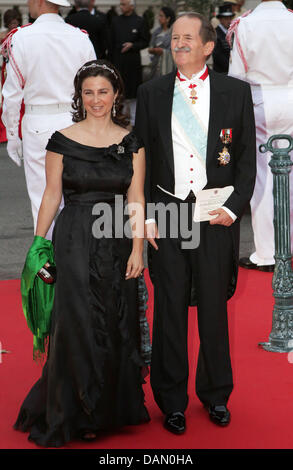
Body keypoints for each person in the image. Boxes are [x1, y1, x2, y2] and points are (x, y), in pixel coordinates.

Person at [14, 59, 150, 447]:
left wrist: (138, 249)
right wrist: (38, 246)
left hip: (116, 240)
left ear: (116, 95)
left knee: (113, 320)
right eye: (88, 92)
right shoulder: (60, 139)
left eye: (103, 92)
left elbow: (136, 199)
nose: (95, 99)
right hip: (72, 240)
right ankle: (74, 409)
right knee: (74, 323)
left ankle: (106, 410)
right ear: (80, 96)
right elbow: (51, 196)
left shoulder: (131, 141)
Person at [135, 12, 256, 433]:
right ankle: (171, 400)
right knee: (169, 309)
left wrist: (235, 206)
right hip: (167, 212)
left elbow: (245, 158)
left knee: (212, 308)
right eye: (175, 37)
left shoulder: (235, 92)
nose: (179, 43)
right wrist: (143, 214)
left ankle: (216, 393)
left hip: (214, 214)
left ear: (208, 46)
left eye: (188, 37)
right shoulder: (150, 93)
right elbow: (141, 158)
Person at [1, 0, 96, 241]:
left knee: (40, 198)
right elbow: (95, 85)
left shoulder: (22, 38)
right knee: (74, 196)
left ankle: (46, 262)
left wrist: (12, 134)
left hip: (37, 122)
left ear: (40, 2)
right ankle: (73, 258)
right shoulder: (80, 38)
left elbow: (12, 94)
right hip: (74, 123)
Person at [228, 0, 293, 271]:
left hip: (259, 100)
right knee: (290, 173)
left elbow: (236, 75)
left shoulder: (247, 24)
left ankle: (267, 253)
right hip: (291, 97)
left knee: (263, 177)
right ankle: (288, 248)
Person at [109, 0, 150, 126]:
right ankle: (117, 120)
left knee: (133, 92)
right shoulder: (115, 21)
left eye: (124, 4)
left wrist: (133, 45)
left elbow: (145, 41)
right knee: (118, 91)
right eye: (120, 4)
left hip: (133, 64)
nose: (121, 7)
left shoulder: (140, 21)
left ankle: (134, 122)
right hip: (118, 62)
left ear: (132, 6)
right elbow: (110, 42)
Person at [0, 8, 23, 143]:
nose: (13, 25)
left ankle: (19, 130)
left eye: (15, 23)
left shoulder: (23, 34)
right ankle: (6, 131)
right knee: (7, 99)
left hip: (20, 70)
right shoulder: (3, 35)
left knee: (21, 100)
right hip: (7, 70)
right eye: (11, 23)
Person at [148, 6, 176, 80]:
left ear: (168, 18)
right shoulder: (156, 32)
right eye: (159, 16)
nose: (159, 18)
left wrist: (163, 51)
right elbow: (150, 47)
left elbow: (176, 50)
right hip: (156, 64)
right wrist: (154, 50)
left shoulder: (174, 32)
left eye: (161, 16)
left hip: (170, 65)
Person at [212, 4, 235, 74]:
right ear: (220, 19)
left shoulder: (233, 32)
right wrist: (232, 67)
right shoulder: (215, 33)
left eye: (230, 18)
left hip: (232, 71)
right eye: (226, 19)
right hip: (221, 72)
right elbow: (217, 56)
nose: (229, 21)